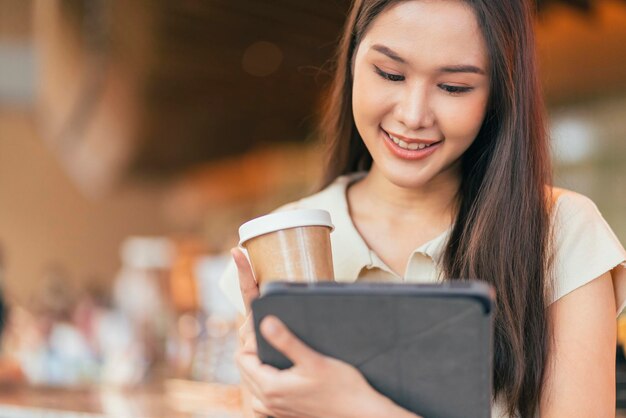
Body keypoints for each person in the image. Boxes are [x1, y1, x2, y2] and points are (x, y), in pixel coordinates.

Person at [219, 0, 626, 416]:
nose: (413, 116)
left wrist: (356, 407)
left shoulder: (561, 233)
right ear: (353, 61)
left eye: (454, 87)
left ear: (499, 94)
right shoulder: (284, 239)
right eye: (390, 74)